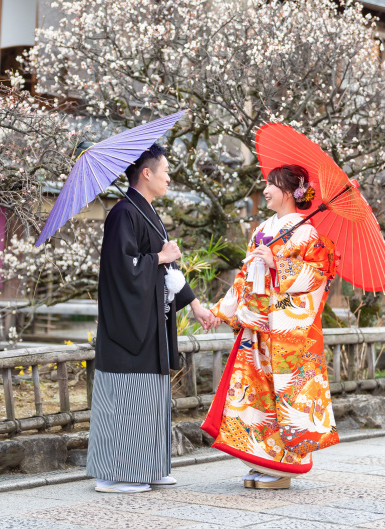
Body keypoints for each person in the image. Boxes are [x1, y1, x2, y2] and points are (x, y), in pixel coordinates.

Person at [86, 143, 217, 494]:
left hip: (150, 323)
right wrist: (159, 257)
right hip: (127, 328)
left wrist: (195, 305)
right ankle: (114, 475)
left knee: (149, 398)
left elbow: (169, 271)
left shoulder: (146, 213)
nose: (169, 177)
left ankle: (147, 466)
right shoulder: (122, 214)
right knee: (127, 398)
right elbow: (121, 268)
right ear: (146, 173)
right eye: (165, 171)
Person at [201, 164, 339, 489]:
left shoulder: (309, 234)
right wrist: (227, 311)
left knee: (285, 402)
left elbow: (319, 276)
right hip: (257, 327)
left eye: (271, 185)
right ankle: (260, 458)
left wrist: (279, 263)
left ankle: (285, 467)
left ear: (290, 192)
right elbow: (244, 277)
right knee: (258, 399)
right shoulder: (263, 228)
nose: (265, 191)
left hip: (287, 332)